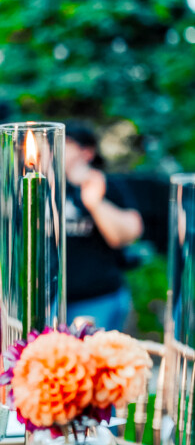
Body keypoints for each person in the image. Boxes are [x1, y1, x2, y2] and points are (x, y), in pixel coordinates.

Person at [64, 122, 144, 331]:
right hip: (49, 299)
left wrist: (95, 202)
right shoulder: (41, 186)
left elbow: (127, 234)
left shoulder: (107, 184)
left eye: (66, 144)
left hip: (96, 299)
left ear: (86, 152)